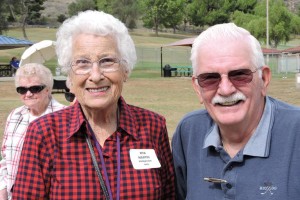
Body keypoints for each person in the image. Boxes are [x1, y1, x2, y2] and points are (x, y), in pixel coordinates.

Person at [13, 10, 175, 199]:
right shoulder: (43, 133)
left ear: (125, 70)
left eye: (107, 61)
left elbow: (169, 195)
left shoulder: (153, 126)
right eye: (82, 63)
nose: (96, 75)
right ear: (70, 75)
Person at [172, 23, 300, 199]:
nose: (225, 89)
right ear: (197, 88)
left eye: (239, 74)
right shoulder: (189, 132)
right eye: (210, 78)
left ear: (264, 79)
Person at [0, 63, 66, 200]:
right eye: (22, 90)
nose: (28, 94)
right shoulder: (14, 116)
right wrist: (3, 190)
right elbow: (5, 160)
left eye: (35, 88)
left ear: (47, 89)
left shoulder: (65, 117)